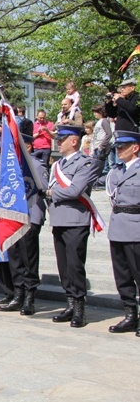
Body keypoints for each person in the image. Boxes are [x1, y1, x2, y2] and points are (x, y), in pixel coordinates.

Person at [45, 125, 102, 328]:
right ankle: (69, 303)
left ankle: (79, 307)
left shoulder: (84, 163)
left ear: (74, 141)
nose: (58, 143)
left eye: (61, 140)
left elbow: (75, 190)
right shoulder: (57, 164)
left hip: (76, 220)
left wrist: (51, 194)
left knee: (75, 265)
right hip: (59, 219)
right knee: (63, 266)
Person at [0, 134, 48, 315]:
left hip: (29, 218)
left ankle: (29, 297)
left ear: (28, 147)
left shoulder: (36, 165)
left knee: (29, 260)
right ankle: (18, 294)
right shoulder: (11, 167)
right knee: (15, 260)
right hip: (14, 219)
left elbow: (42, 190)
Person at [105, 130, 140, 335]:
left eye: (123, 147)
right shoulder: (116, 170)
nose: (119, 150)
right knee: (122, 276)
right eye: (118, 147)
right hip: (117, 226)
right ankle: (130, 315)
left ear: (135, 147)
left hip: (136, 227)